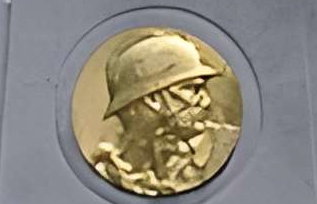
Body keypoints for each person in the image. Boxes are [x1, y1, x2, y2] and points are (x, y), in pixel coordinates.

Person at [86, 27, 239, 195]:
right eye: (191, 88)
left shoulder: (230, 147)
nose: (205, 100)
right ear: (152, 101)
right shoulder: (106, 175)